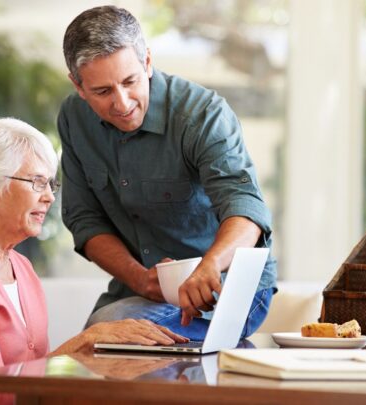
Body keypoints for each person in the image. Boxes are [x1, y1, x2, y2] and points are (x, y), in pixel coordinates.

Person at [0, 116, 188, 405]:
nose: (49, 198)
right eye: (37, 183)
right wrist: (81, 344)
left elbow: (32, 370)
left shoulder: (21, 266)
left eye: (50, 184)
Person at [59, 5, 277, 339]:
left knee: (106, 335)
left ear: (147, 62)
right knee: (98, 341)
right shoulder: (74, 118)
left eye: (130, 81)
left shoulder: (202, 114)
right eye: (102, 92)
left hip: (230, 287)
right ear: (78, 85)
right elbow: (85, 220)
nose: (122, 103)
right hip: (136, 290)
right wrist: (138, 278)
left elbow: (245, 210)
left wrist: (209, 265)